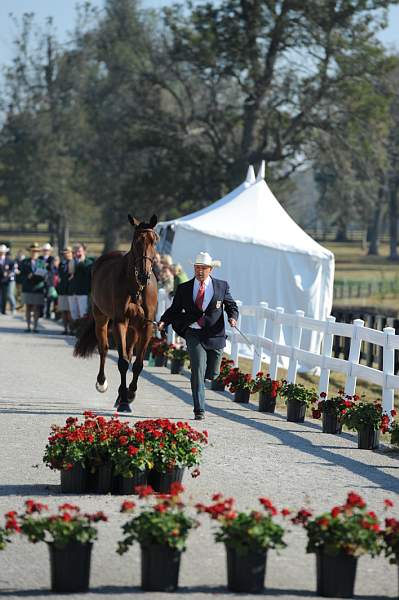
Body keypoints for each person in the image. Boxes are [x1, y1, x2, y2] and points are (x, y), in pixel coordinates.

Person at [158, 251, 239, 420]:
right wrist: (164, 321)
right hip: (194, 333)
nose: (200, 271)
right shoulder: (184, 288)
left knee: (212, 374)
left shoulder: (221, 286)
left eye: (203, 268)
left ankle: (210, 375)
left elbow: (231, 305)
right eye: (197, 268)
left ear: (210, 269)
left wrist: (232, 317)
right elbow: (174, 310)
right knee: (197, 372)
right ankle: (199, 409)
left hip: (215, 335)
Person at [19, 243, 47, 332]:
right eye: (33, 251)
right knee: (28, 307)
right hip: (27, 287)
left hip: (38, 287)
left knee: (36, 308)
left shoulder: (41, 262)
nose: (34, 253)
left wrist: (36, 276)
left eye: (36, 251)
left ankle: (35, 327)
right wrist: (27, 276)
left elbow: (43, 275)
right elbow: (20, 275)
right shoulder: (24, 262)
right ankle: (28, 326)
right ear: (30, 252)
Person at [68, 243, 93, 324]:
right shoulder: (71, 262)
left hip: (83, 291)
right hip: (72, 291)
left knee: (83, 312)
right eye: (75, 251)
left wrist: (80, 263)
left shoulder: (88, 262)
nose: (77, 253)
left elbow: (87, 274)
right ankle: (74, 329)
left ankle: (82, 330)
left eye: (79, 251)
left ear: (84, 251)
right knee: (73, 313)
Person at [57, 247, 73, 334]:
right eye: (64, 253)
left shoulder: (74, 262)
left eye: (67, 252)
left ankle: (71, 329)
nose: (65, 254)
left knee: (71, 311)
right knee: (64, 310)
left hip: (71, 290)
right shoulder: (62, 263)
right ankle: (65, 329)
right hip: (63, 289)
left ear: (71, 253)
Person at [0, 244, 17, 315]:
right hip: (1, 279)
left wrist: (9, 273)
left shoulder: (9, 260)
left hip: (8, 280)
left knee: (8, 294)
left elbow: (13, 269)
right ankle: (2, 310)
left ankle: (12, 308)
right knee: (3, 296)